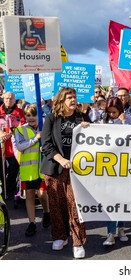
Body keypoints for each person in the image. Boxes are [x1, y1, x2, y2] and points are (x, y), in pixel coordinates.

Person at [40, 87, 91, 259]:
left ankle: (78, 241)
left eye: (74, 97)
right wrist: (61, 159)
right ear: (61, 100)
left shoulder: (81, 117)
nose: (73, 100)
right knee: (56, 205)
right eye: (69, 97)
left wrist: (88, 128)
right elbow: (46, 144)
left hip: (77, 170)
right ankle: (60, 236)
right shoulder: (52, 118)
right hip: (55, 168)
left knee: (75, 205)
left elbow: (95, 140)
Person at [14, 104, 50, 237]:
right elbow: (20, 146)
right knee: (29, 195)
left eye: (34, 115)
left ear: (39, 116)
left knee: (41, 194)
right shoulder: (20, 130)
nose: (31, 118)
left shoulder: (45, 127)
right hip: (28, 170)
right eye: (28, 115)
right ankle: (32, 223)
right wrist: (36, 139)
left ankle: (46, 212)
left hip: (42, 168)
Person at [100, 97, 130, 246]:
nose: (112, 115)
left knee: (122, 199)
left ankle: (121, 228)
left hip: (124, 165)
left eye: (114, 112)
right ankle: (110, 233)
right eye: (109, 112)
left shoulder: (128, 118)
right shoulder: (104, 121)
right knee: (110, 200)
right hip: (109, 166)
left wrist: (124, 122)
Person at [0, 92, 26, 200]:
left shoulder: (20, 112)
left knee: (13, 170)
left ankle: (10, 192)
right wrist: (1, 134)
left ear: (15, 100)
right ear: (3, 98)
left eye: (11, 99)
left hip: (15, 147)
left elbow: (24, 126)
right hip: (2, 147)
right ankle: (3, 192)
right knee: (2, 171)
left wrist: (12, 133)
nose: (8, 100)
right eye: (6, 98)